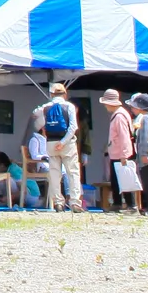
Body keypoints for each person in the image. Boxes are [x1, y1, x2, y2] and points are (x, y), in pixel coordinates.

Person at [30, 81, 84, 212]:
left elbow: (34, 114)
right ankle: (75, 202)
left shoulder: (46, 107)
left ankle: (58, 202)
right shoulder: (69, 106)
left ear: (51, 94)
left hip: (51, 143)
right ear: (65, 94)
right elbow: (73, 127)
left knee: (54, 173)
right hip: (67, 143)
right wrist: (64, 141)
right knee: (73, 173)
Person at [100, 89, 140, 211]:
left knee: (124, 178)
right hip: (116, 152)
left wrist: (124, 154)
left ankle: (131, 204)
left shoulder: (119, 116)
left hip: (120, 153)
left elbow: (124, 136)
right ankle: (117, 203)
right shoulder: (120, 114)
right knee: (116, 179)